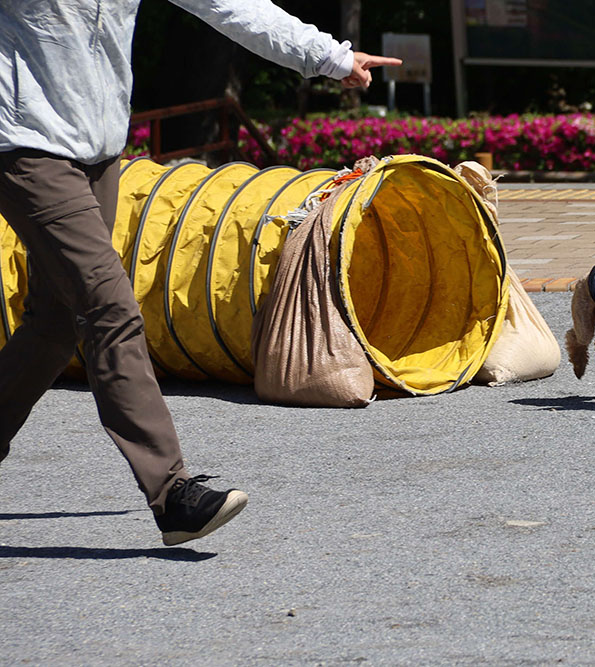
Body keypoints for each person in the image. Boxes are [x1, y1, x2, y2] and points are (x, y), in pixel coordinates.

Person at [0, 2, 401, 546]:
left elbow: (229, 4)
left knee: (54, 322)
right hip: (22, 143)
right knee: (109, 308)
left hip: (96, 148)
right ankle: (172, 493)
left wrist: (329, 57)